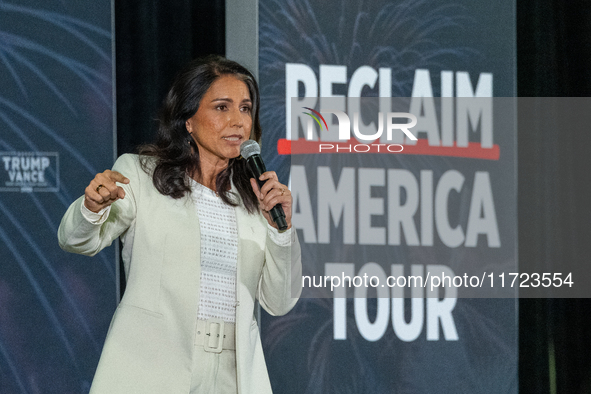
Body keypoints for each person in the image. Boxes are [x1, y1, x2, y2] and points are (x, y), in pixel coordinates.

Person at [58, 55, 302, 394]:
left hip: (233, 375)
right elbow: (76, 241)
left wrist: (282, 232)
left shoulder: (255, 198)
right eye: (221, 107)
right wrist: (91, 207)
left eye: (245, 108)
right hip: (154, 368)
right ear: (188, 119)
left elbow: (280, 301)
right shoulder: (141, 175)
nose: (237, 120)